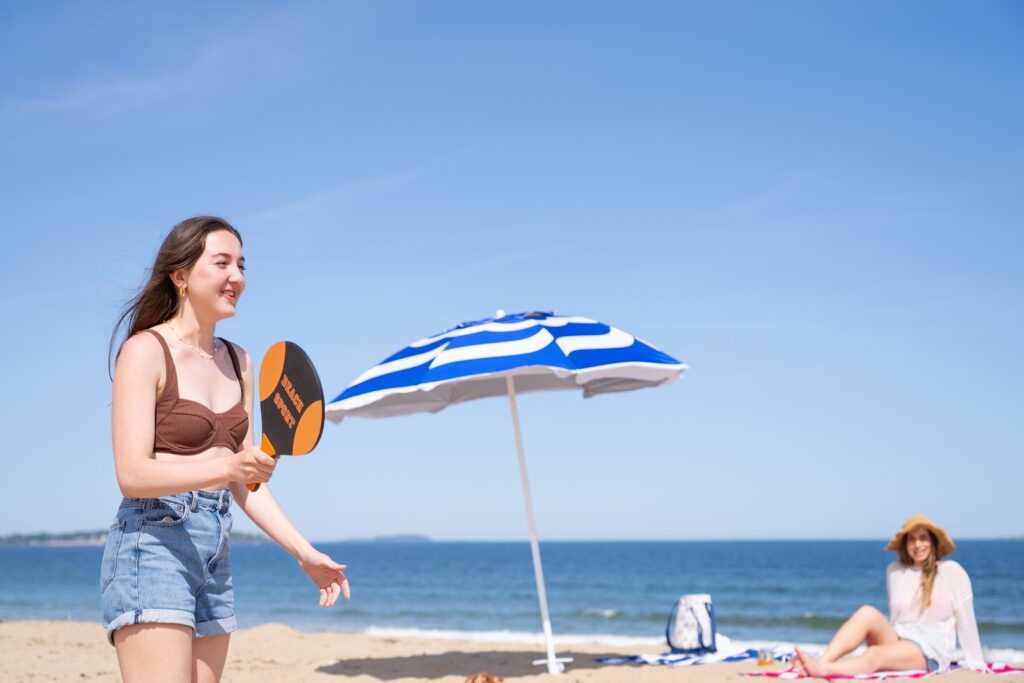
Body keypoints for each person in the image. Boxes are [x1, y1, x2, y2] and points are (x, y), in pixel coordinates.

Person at [101, 216, 350, 683]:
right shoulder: (145, 350)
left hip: (215, 549)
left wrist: (303, 552)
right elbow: (132, 474)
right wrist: (225, 463)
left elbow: (245, 481)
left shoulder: (241, 361)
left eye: (241, 264)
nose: (237, 276)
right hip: (153, 541)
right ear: (180, 275)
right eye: (221, 263)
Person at [795, 515, 986, 677]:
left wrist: (976, 662)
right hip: (899, 639)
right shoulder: (894, 571)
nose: (918, 544)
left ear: (933, 542)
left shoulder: (951, 571)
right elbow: (898, 619)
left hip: (930, 651)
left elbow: (966, 618)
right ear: (905, 544)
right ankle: (824, 660)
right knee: (866, 612)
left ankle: (822, 669)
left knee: (875, 654)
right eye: (912, 539)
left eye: (923, 538)